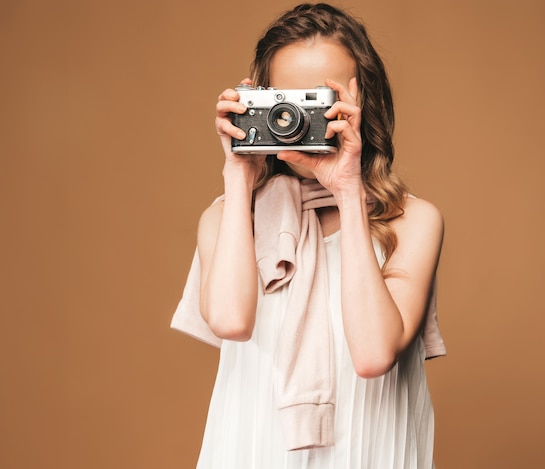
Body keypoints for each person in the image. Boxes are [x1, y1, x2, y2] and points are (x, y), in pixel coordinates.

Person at [171, 3, 446, 468]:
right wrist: (237, 178)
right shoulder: (227, 217)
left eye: (319, 99)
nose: (294, 119)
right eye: (286, 101)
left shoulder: (411, 220)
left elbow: (375, 353)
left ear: (364, 104)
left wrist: (347, 188)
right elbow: (231, 321)